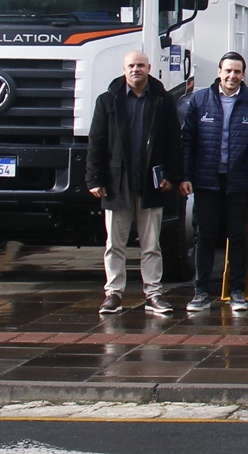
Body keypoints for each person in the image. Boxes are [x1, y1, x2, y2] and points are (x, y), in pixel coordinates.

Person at [86, 49, 184, 315]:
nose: (135, 70)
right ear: (123, 68)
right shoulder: (107, 101)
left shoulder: (163, 101)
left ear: (149, 67)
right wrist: (94, 178)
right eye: (131, 65)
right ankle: (113, 294)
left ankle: (154, 294)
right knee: (114, 245)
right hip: (117, 183)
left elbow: (174, 142)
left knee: (151, 244)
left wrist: (172, 176)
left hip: (151, 184)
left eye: (140, 65)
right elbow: (96, 142)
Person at [179, 50, 248, 313]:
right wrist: (185, 176)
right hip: (206, 181)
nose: (232, 76)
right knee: (204, 237)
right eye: (228, 70)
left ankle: (237, 291)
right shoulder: (199, 101)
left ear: (243, 74)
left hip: (239, 182)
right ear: (219, 72)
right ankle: (200, 292)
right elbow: (188, 142)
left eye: (237, 71)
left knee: (237, 237)